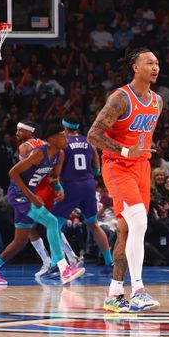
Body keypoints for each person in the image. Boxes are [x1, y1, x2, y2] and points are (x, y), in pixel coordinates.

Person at [88, 47, 162, 312]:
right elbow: (93, 135)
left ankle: (114, 293)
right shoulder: (121, 98)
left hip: (142, 168)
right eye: (149, 62)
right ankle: (139, 290)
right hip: (118, 166)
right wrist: (124, 150)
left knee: (127, 231)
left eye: (157, 63)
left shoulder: (157, 101)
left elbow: (143, 139)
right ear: (135, 67)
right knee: (140, 221)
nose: (155, 67)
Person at [0, 124, 85, 285]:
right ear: (52, 139)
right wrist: (32, 196)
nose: (66, 139)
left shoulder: (60, 155)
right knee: (52, 221)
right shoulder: (39, 153)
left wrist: (59, 188)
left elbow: (53, 177)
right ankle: (64, 268)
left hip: (29, 193)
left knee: (20, 241)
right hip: (18, 194)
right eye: (62, 135)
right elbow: (13, 173)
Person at [51, 115, 114, 274]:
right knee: (93, 224)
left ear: (64, 128)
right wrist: (91, 173)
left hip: (71, 185)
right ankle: (109, 262)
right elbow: (96, 168)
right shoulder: (88, 141)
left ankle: (56, 266)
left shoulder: (63, 143)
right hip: (88, 184)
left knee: (55, 225)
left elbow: (57, 169)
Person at [14, 120, 60, 277]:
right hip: (45, 187)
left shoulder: (25, 147)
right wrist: (58, 187)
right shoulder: (48, 146)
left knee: (47, 224)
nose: (17, 133)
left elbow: (21, 174)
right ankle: (59, 261)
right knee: (49, 224)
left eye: (20, 131)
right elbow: (54, 173)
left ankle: (54, 263)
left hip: (34, 190)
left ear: (29, 132)